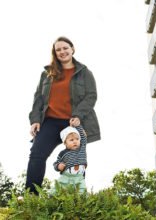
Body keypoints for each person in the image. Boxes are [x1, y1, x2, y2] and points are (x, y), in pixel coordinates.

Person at [26, 36, 100, 195]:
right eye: (58, 49)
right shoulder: (47, 74)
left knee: (76, 158)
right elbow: (38, 98)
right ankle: (31, 197)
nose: (62, 52)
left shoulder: (84, 73)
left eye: (65, 48)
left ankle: (76, 199)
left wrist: (79, 115)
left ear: (72, 49)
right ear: (55, 53)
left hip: (72, 122)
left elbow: (91, 96)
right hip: (50, 121)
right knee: (36, 154)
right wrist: (35, 120)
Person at [51, 125, 87, 194]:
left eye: (77, 139)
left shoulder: (81, 149)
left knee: (82, 191)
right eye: (71, 140)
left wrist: (78, 125)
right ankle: (50, 197)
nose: (75, 141)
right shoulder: (63, 153)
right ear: (65, 142)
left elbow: (83, 138)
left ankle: (81, 201)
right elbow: (55, 163)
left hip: (80, 177)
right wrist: (58, 166)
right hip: (67, 177)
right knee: (59, 189)